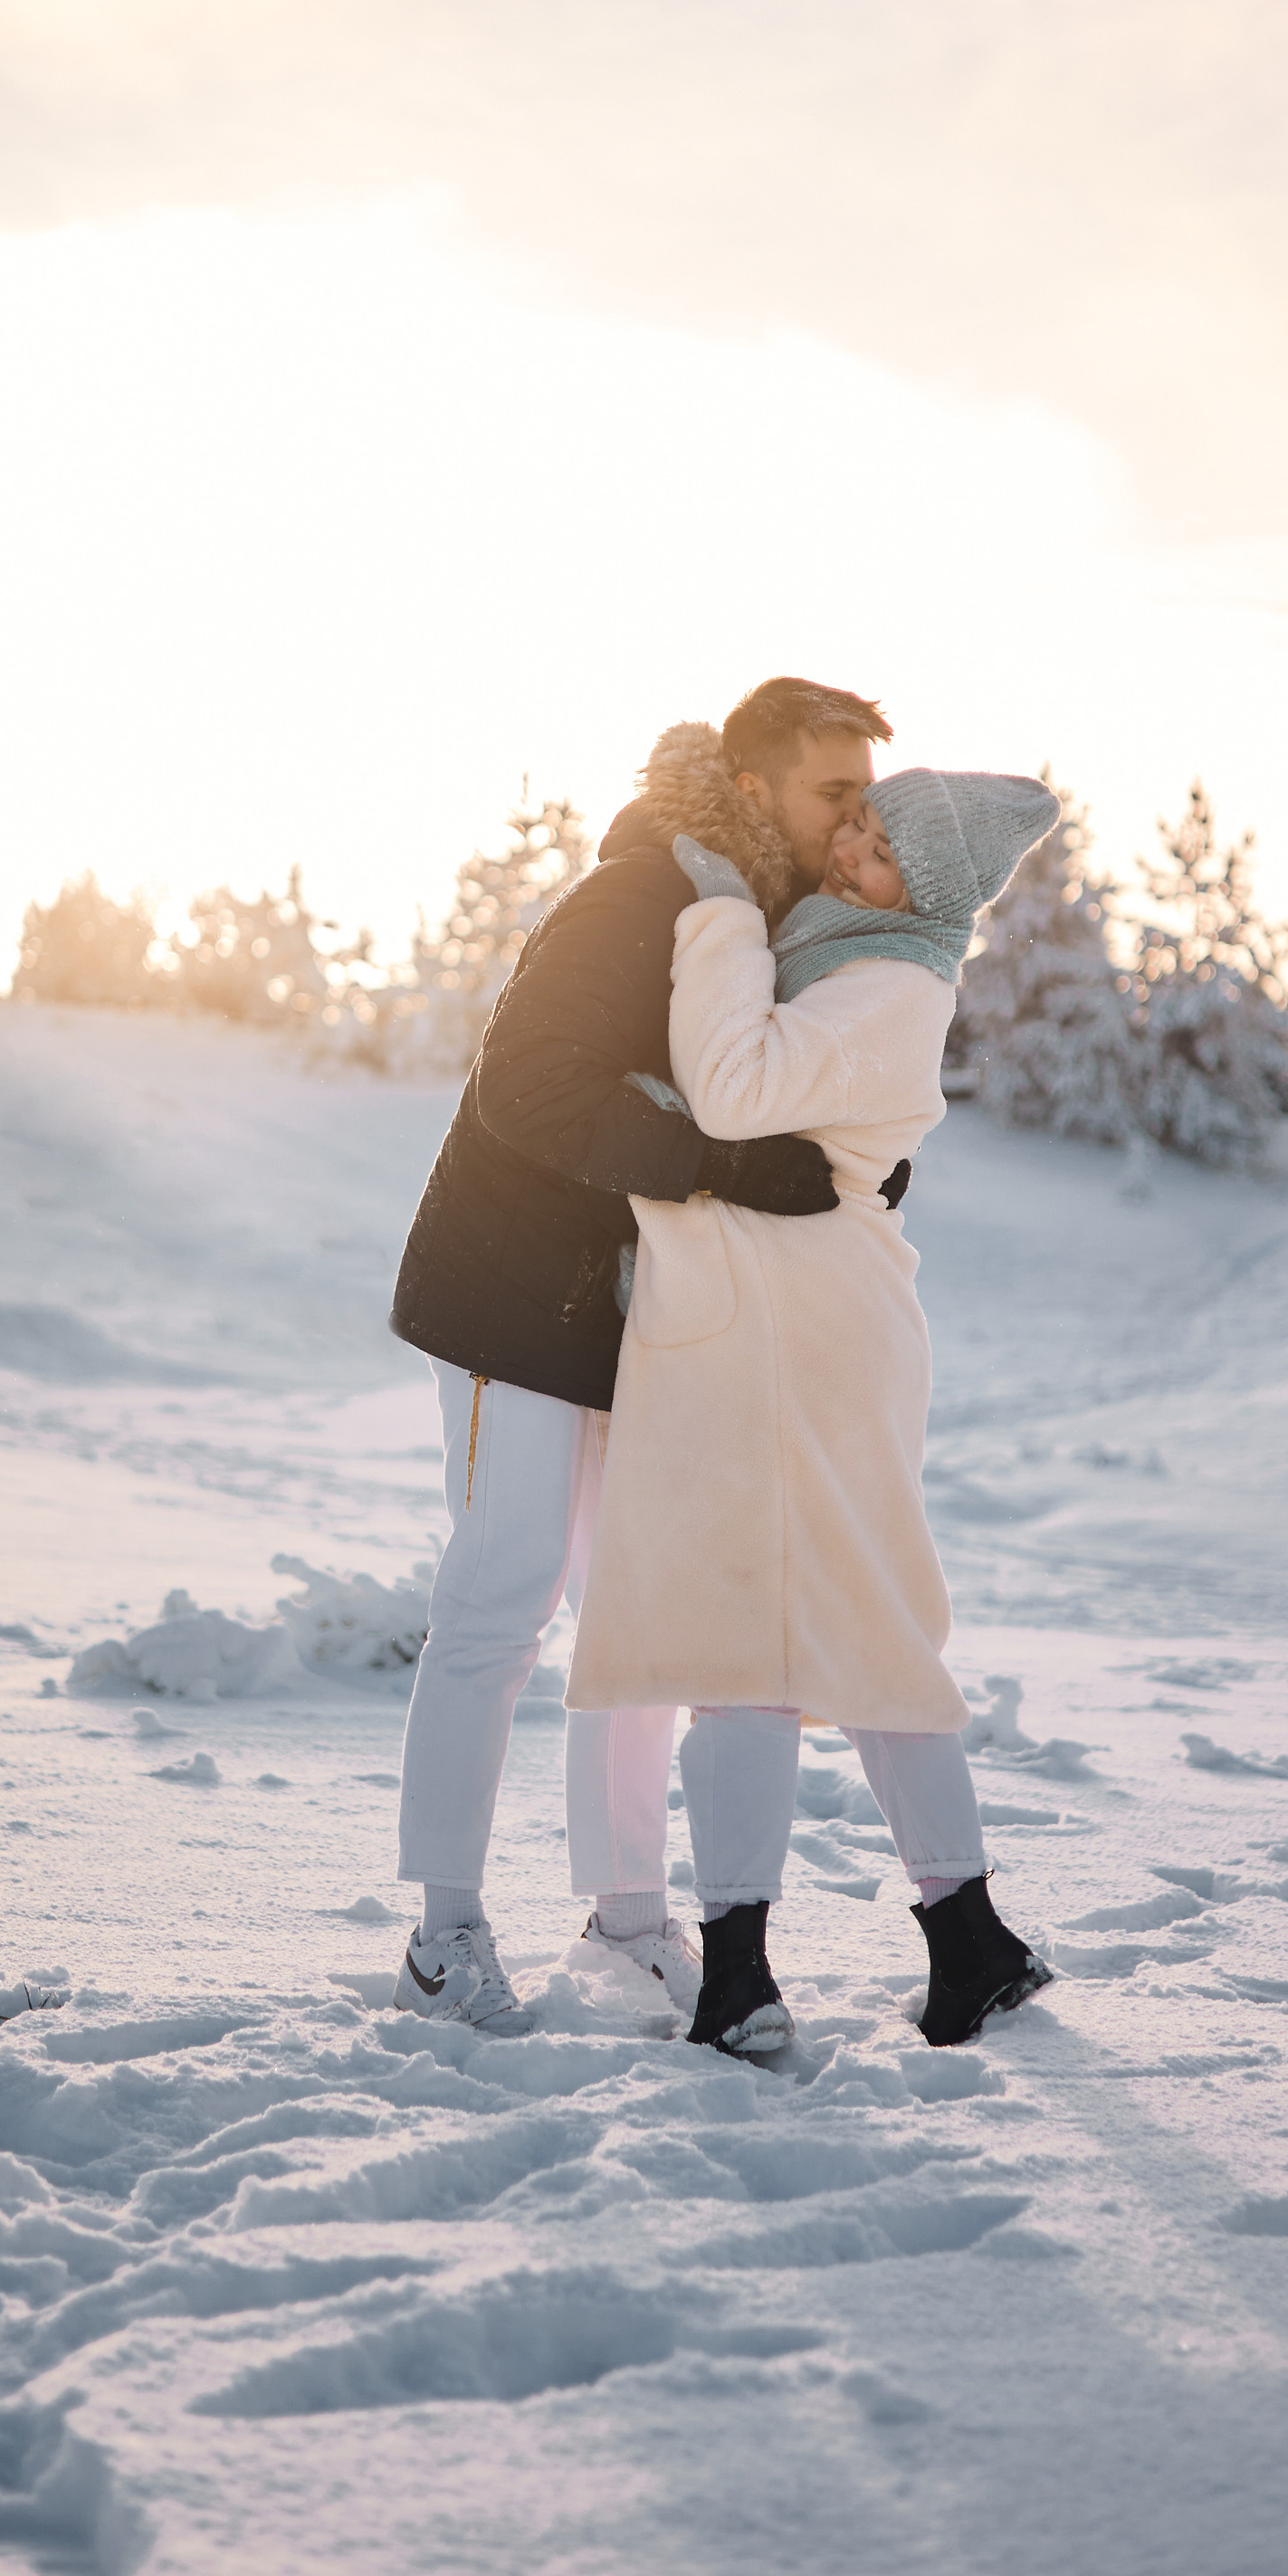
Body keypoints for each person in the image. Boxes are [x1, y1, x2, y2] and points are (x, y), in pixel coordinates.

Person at [385, 678, 900, 2032]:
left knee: (639, 1611)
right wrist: (720, 1161)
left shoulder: (765, 921)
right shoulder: (637, 896)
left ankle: (626, 1918)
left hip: (635, 1314)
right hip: (511, 1297)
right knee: (503, 1595)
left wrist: (840, 1168)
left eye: (867, 794)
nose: (855, 818)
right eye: (830, 793)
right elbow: (528, 1083)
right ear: (750, 784)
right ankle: (442, 1931)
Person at [566, 762, 1062, 2056]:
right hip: (786, 1324)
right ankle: (965, 1943)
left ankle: (746, 1976)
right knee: (835, 1626)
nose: (849, 851)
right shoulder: (849, 959)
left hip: (799, 1337)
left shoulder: (888, 985)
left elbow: (732, 1094)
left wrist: (720, 914)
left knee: (767, 1641)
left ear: (932, 892)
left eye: (884, 849)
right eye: (854, 823)